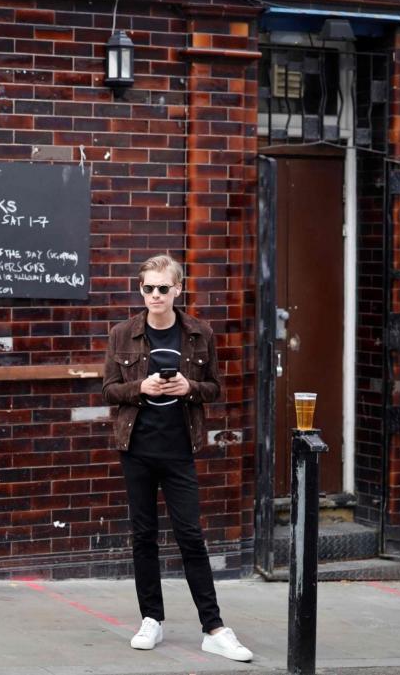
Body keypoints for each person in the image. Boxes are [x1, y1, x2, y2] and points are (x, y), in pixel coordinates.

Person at [102, 253, 254, 663]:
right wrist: (142, 387)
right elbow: (109, 391)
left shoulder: (199, 334)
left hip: (179, 449)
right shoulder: (122, 334)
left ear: (178, 290)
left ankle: (214, 628)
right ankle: (151, 619)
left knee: (191, 536)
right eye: (148, 288)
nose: (155, 295)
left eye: (163, 288)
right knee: (143, 537)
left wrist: (188, 386)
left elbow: (215, 387)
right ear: (140, 290)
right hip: (136, 449)